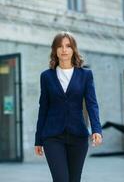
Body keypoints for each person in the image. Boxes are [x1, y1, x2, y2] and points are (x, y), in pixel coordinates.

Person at [34, 31, 103, 182]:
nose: (64, 50)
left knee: (74, 179)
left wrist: (96, 129)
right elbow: (43, 108)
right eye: (60, 46)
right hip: (53, 136)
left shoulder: (85, 75)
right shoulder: (46, 76)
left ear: (74, 50)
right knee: (61, 179)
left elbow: (92, 103)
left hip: (78, 135)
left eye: (68, 46)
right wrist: (38, 139)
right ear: (55, 50)